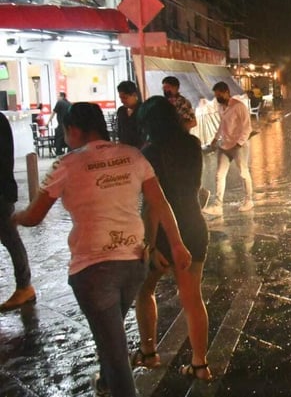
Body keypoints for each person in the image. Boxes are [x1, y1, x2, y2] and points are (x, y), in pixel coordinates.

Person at [12, 102, 191, 397]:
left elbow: (34, 216)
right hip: (134, 264)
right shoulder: (132, 155)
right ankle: (106, 383)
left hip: (93, 270)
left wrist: (15, 217)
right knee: (110, 334)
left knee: (116, 351)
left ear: (74, 130)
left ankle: (115, 384)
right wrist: (177, 244)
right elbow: (160, 203)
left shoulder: (66, 165)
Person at [133, 96, 212, 380]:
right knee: (192, 298)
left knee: (145, 290)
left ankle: (149, 352)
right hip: (194, 224)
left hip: (165, 232)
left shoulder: (149, 153)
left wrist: (150, 245)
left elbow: (153, 205)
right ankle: (200, 364)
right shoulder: (192, 144)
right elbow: (197, 186)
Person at [0, 112, 35, 311]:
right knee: (10, 238)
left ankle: (24, 285)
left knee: (10, 238)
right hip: (4, 190)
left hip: (1, 192)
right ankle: (24, 285)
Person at [205, 82, 253, 215]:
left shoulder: (239, 106)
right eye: (216, 95)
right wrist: (215, 138)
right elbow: (222, 124)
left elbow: (247, 127)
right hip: (225, 145)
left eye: (219, 94)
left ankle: (249, 200)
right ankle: (217, 205)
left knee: (243, 172)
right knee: (219, 175)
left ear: (226, 92)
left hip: (239, 146)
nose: (217, 97)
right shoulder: (221, 107)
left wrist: (239, 143)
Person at [116, 81, 144, 148]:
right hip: (125, 150)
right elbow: (120, 132)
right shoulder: (121, 111)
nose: (122, 101)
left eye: (125, 98)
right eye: (120, 98)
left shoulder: (144, 110)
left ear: (134, 95)